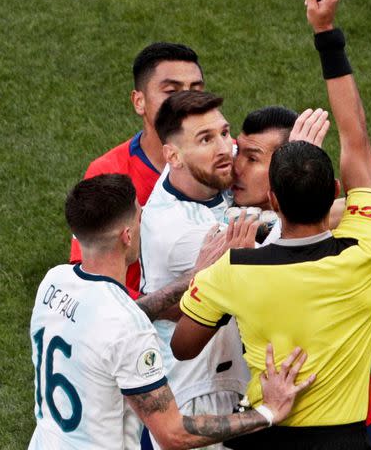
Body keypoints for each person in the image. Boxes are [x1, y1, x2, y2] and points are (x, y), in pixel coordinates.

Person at [171, 0, 371, 449]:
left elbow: (183, 346)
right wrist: (327, 34)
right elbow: (356, 140)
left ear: (273, 199)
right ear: (335, 193)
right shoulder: (366, 250)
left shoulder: (232, 269)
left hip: (264, 434)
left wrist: (204, 274)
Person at [29, 173, 314, 449]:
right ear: (127, 236)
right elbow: (173, 434)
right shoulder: (127, 328)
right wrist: (268, 412)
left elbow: (118, 316)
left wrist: (197, 273)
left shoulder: (55, 282)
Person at [232, 105, 371, 446]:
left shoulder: (242, 252)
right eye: (236, 152)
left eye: (253, 159)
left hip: (330, 415)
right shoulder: (231, 220)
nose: (235, 168)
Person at [139, 91, 255, 450]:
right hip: (198, 395)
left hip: (222, 379)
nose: (224, 149)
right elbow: (292, 227)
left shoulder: (194, 174)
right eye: (206, 139)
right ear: (172, 155)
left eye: (224, 132)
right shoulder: (179, 231)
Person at [69, 43, 205, 298]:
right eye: (171, 90)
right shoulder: (109, 172)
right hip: (143, 322)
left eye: (196, 90)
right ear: (139, 101)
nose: (188, 101)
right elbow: (92, 279)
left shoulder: (228, 156)